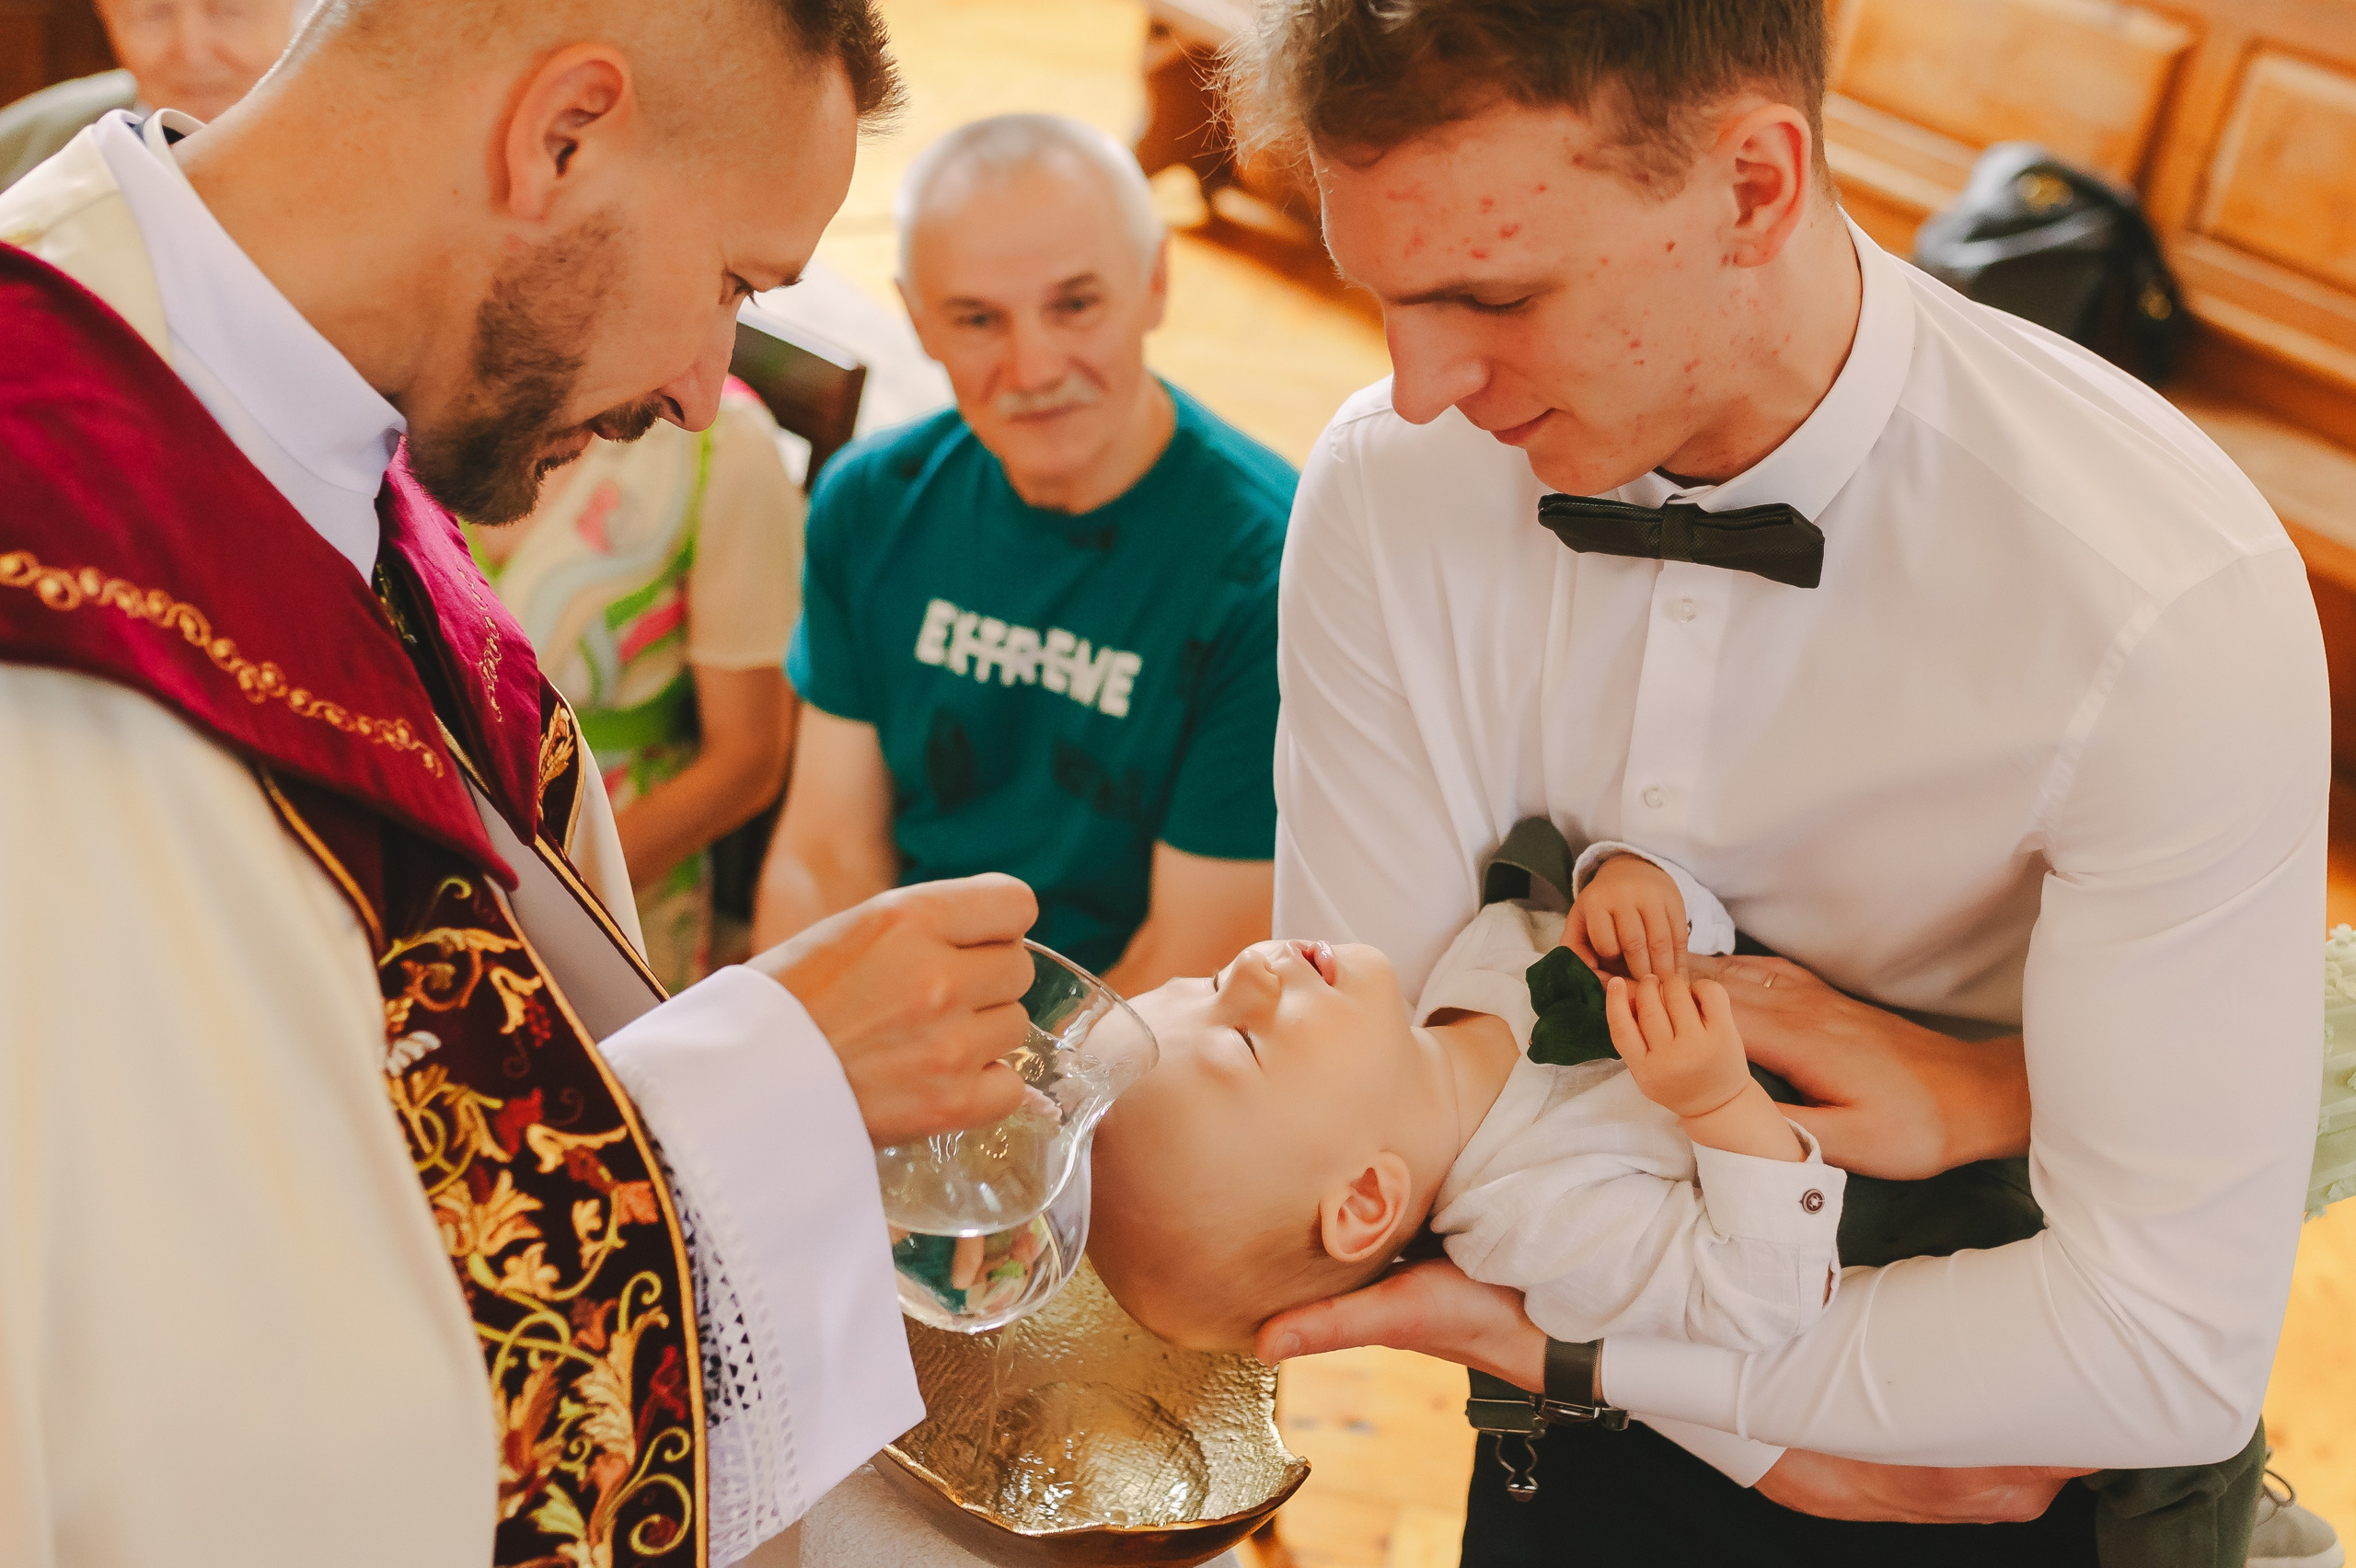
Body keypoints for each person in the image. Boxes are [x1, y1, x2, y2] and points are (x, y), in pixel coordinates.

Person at [1218, 2, 2330, 1565]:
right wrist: (1744, 1424)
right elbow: (1372, 1108)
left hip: (1998, 1467)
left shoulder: (2156, 599)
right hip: (1559, 1409)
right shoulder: (1391, 488)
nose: (1415, 383)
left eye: (1494, 294)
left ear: (1753, 185)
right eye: (1384, 293)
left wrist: (1639, 1367)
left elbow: (2155, 1347)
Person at [0, 4, 1048, 1566]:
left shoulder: (304, 432)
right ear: (559, 137)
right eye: (732, 284)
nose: (704, 388)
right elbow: (220, 1454)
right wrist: (777, 1082)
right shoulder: (57, 651)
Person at [751, 113, 1293, 996]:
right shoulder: (871, 502)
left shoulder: (1271, 571)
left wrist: (979, 1087)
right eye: (977, 319)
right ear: (918, 321)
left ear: (1155, 283)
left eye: (1075, 306)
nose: (1034, 368)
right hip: (904, 1007)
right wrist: (800, 1044)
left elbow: (1193, 962)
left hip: (1125, 1047)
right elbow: (824, 858)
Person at [1090, 913, 1842, 1358]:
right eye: (1245, 1041)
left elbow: (1700, 927)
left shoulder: (1475, 955)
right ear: (1363, 1199)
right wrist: (1720, 1103)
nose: (1249, 968)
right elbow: (1767, 1299)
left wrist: (1638, 886)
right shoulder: (1535, 1221)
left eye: (1210, 983)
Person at [468, 381, 802, 991]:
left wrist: (547, 897)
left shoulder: (726, 446)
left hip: (605, 874)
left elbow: (749, 761)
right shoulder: (452, 374)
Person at [0, 0, 301, 190]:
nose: (192, 53)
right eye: (155, 14)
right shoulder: (18, 155)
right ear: (107, 15)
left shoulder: (328, 164)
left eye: (230, 12)